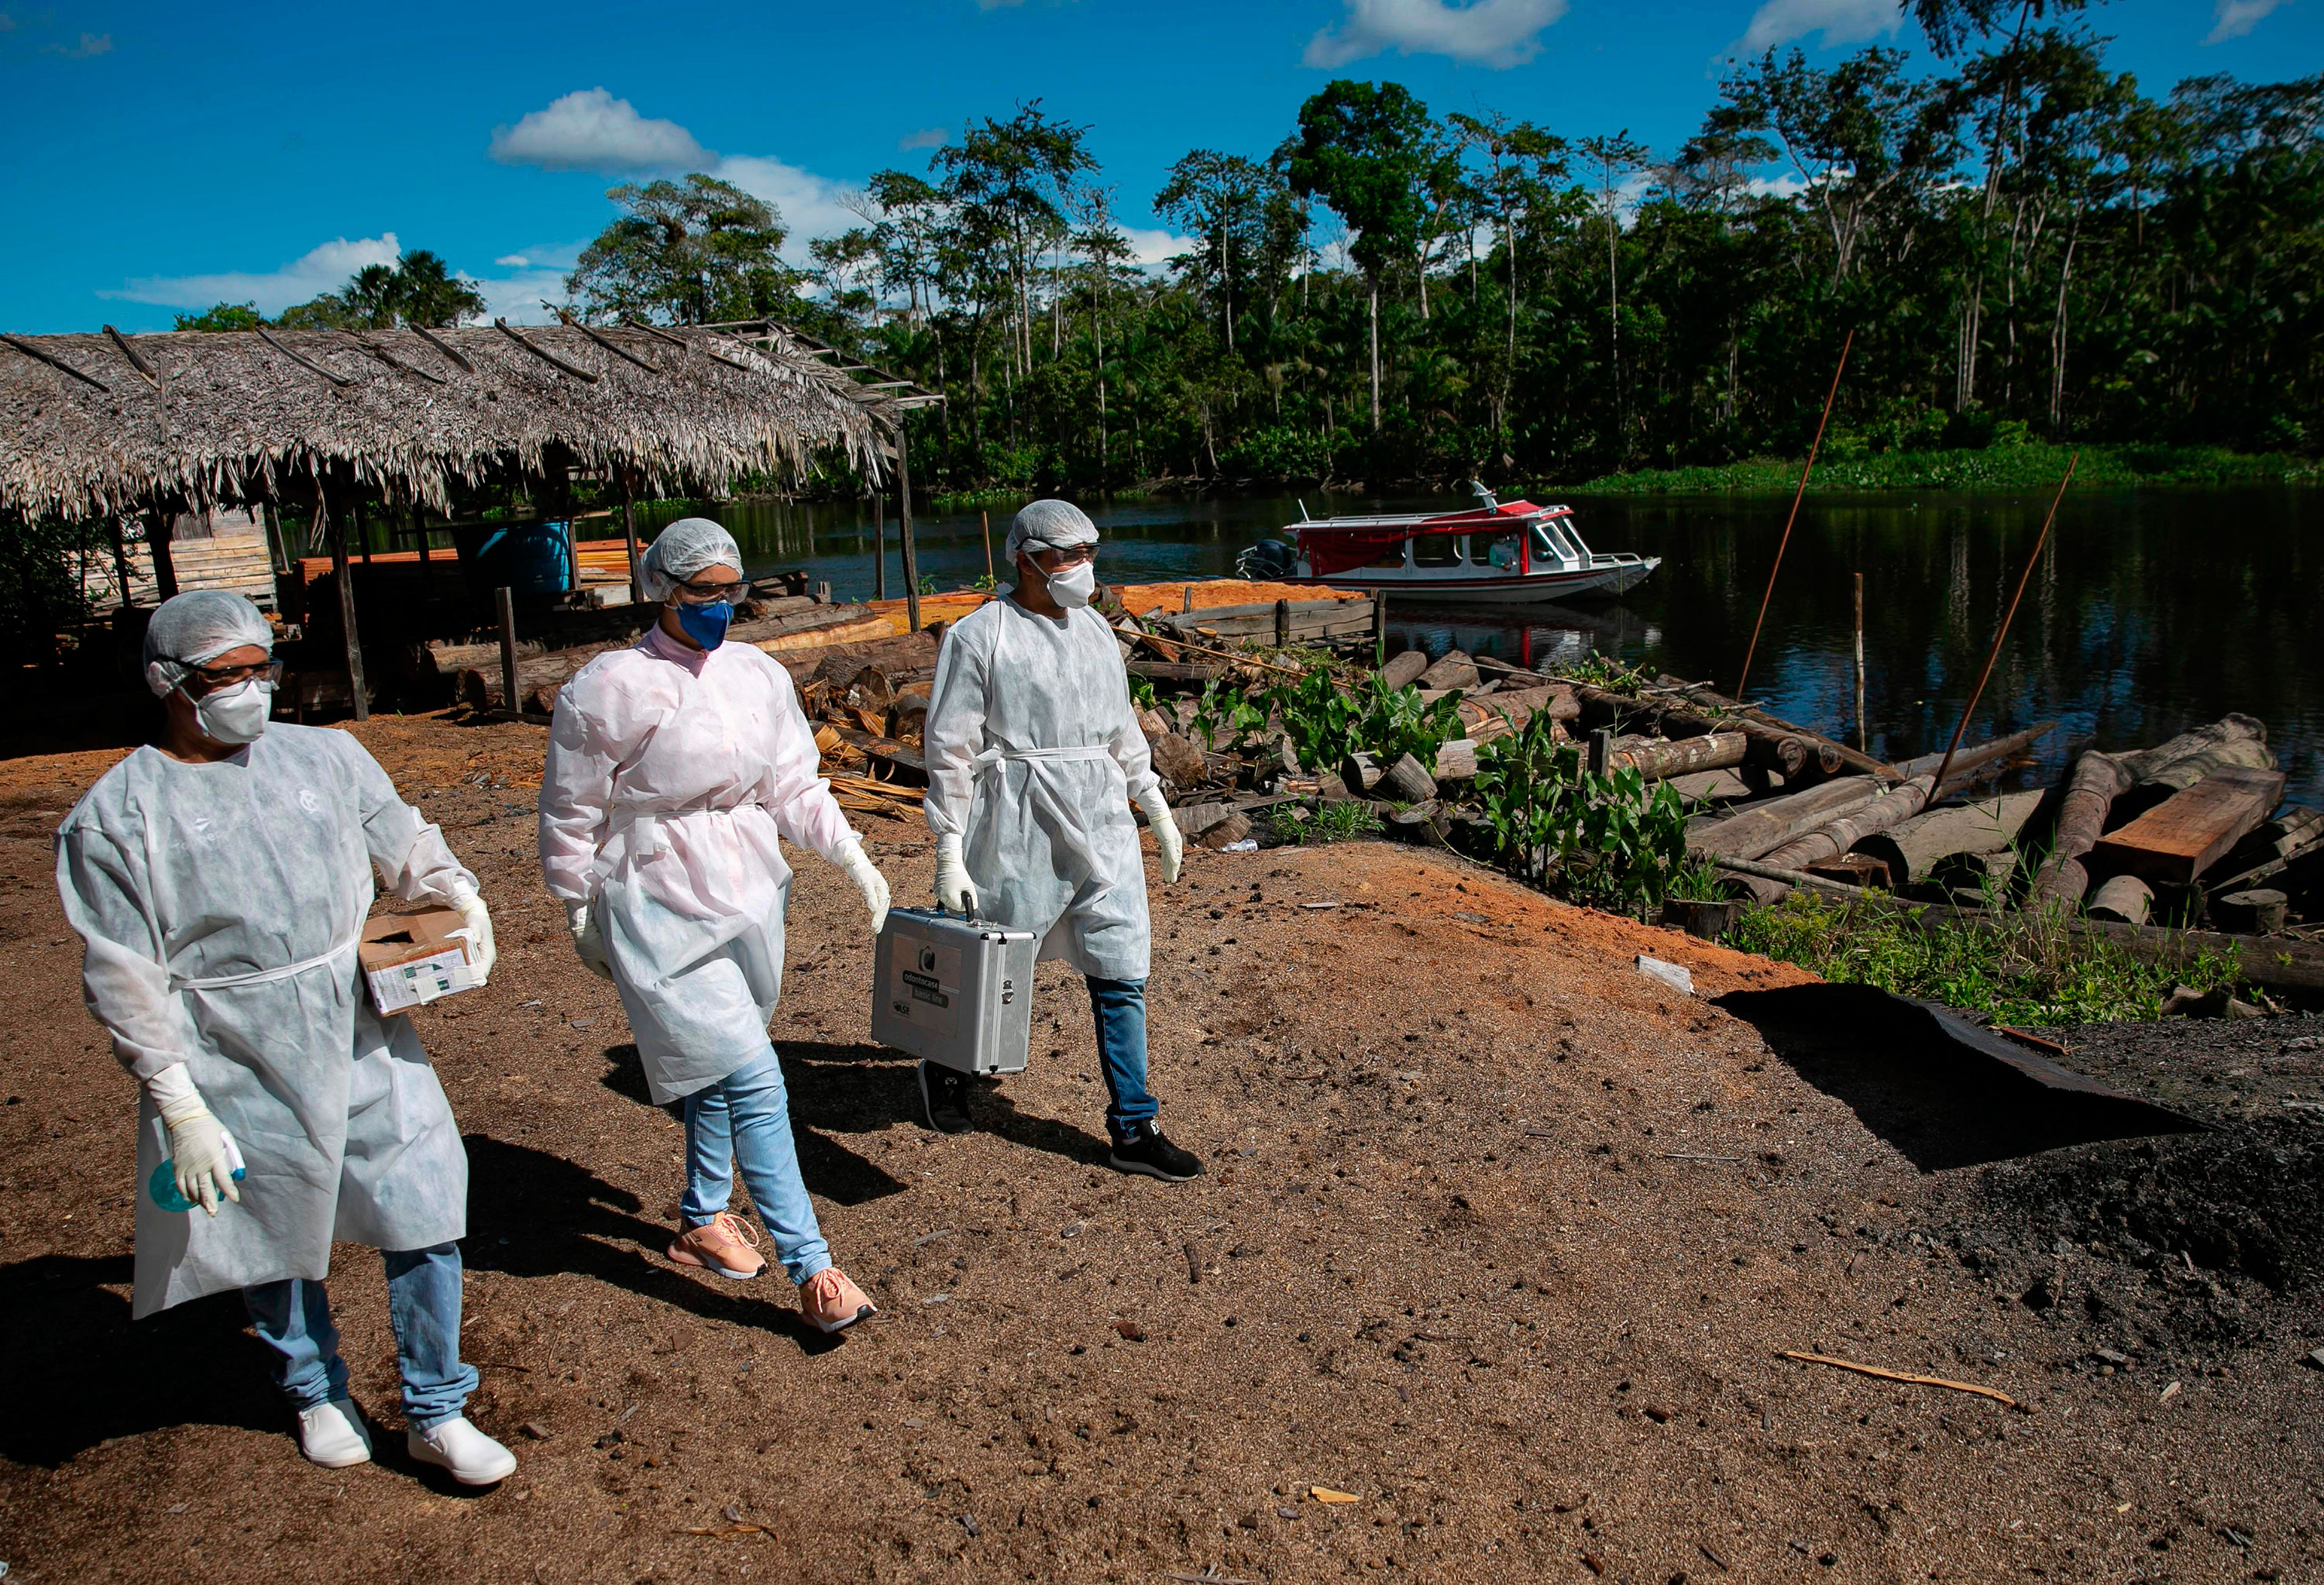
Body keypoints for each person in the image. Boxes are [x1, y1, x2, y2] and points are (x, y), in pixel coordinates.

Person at [56, 590, 517, 1484]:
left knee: (422, 1203)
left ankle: (436, 1405)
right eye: (223, 677)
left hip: (355, 1017)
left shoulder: (326, 757)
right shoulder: (119, 815)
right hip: (232, 1040)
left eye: (259, 668)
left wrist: (457, 890)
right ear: (168, 681)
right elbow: (124, 972)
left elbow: (401, 840)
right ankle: (314, 1386)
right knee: (271, 1223)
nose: (250, 691)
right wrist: (179, 1103)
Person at [538, 519, 890, 1332]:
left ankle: (702, 1215)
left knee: (721, 1062)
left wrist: (851, 855)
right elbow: (571, 810)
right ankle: (815, 1270)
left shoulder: (756, 675)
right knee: (754, 1075)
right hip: (656, 889)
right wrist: (576, 906)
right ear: (664, 589)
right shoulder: (609, 687)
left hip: (749, 883)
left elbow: (794, 785)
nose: (721, 606)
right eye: (704, 591)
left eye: (731, 590)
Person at [920, 499, 1202, 1181]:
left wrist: (1153, 802)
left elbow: (1121, 728)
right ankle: (947, 1066)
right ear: (1025, 557)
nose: (1083, 568)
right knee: (998, 961)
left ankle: (1133, 1127)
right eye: (1067, 555)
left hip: (1101, 814)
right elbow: (951, 748)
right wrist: (949, 846)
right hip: (1019, 819)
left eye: (1089, 553)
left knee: (1122, 964)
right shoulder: (979, 635)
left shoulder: (1096, 633)